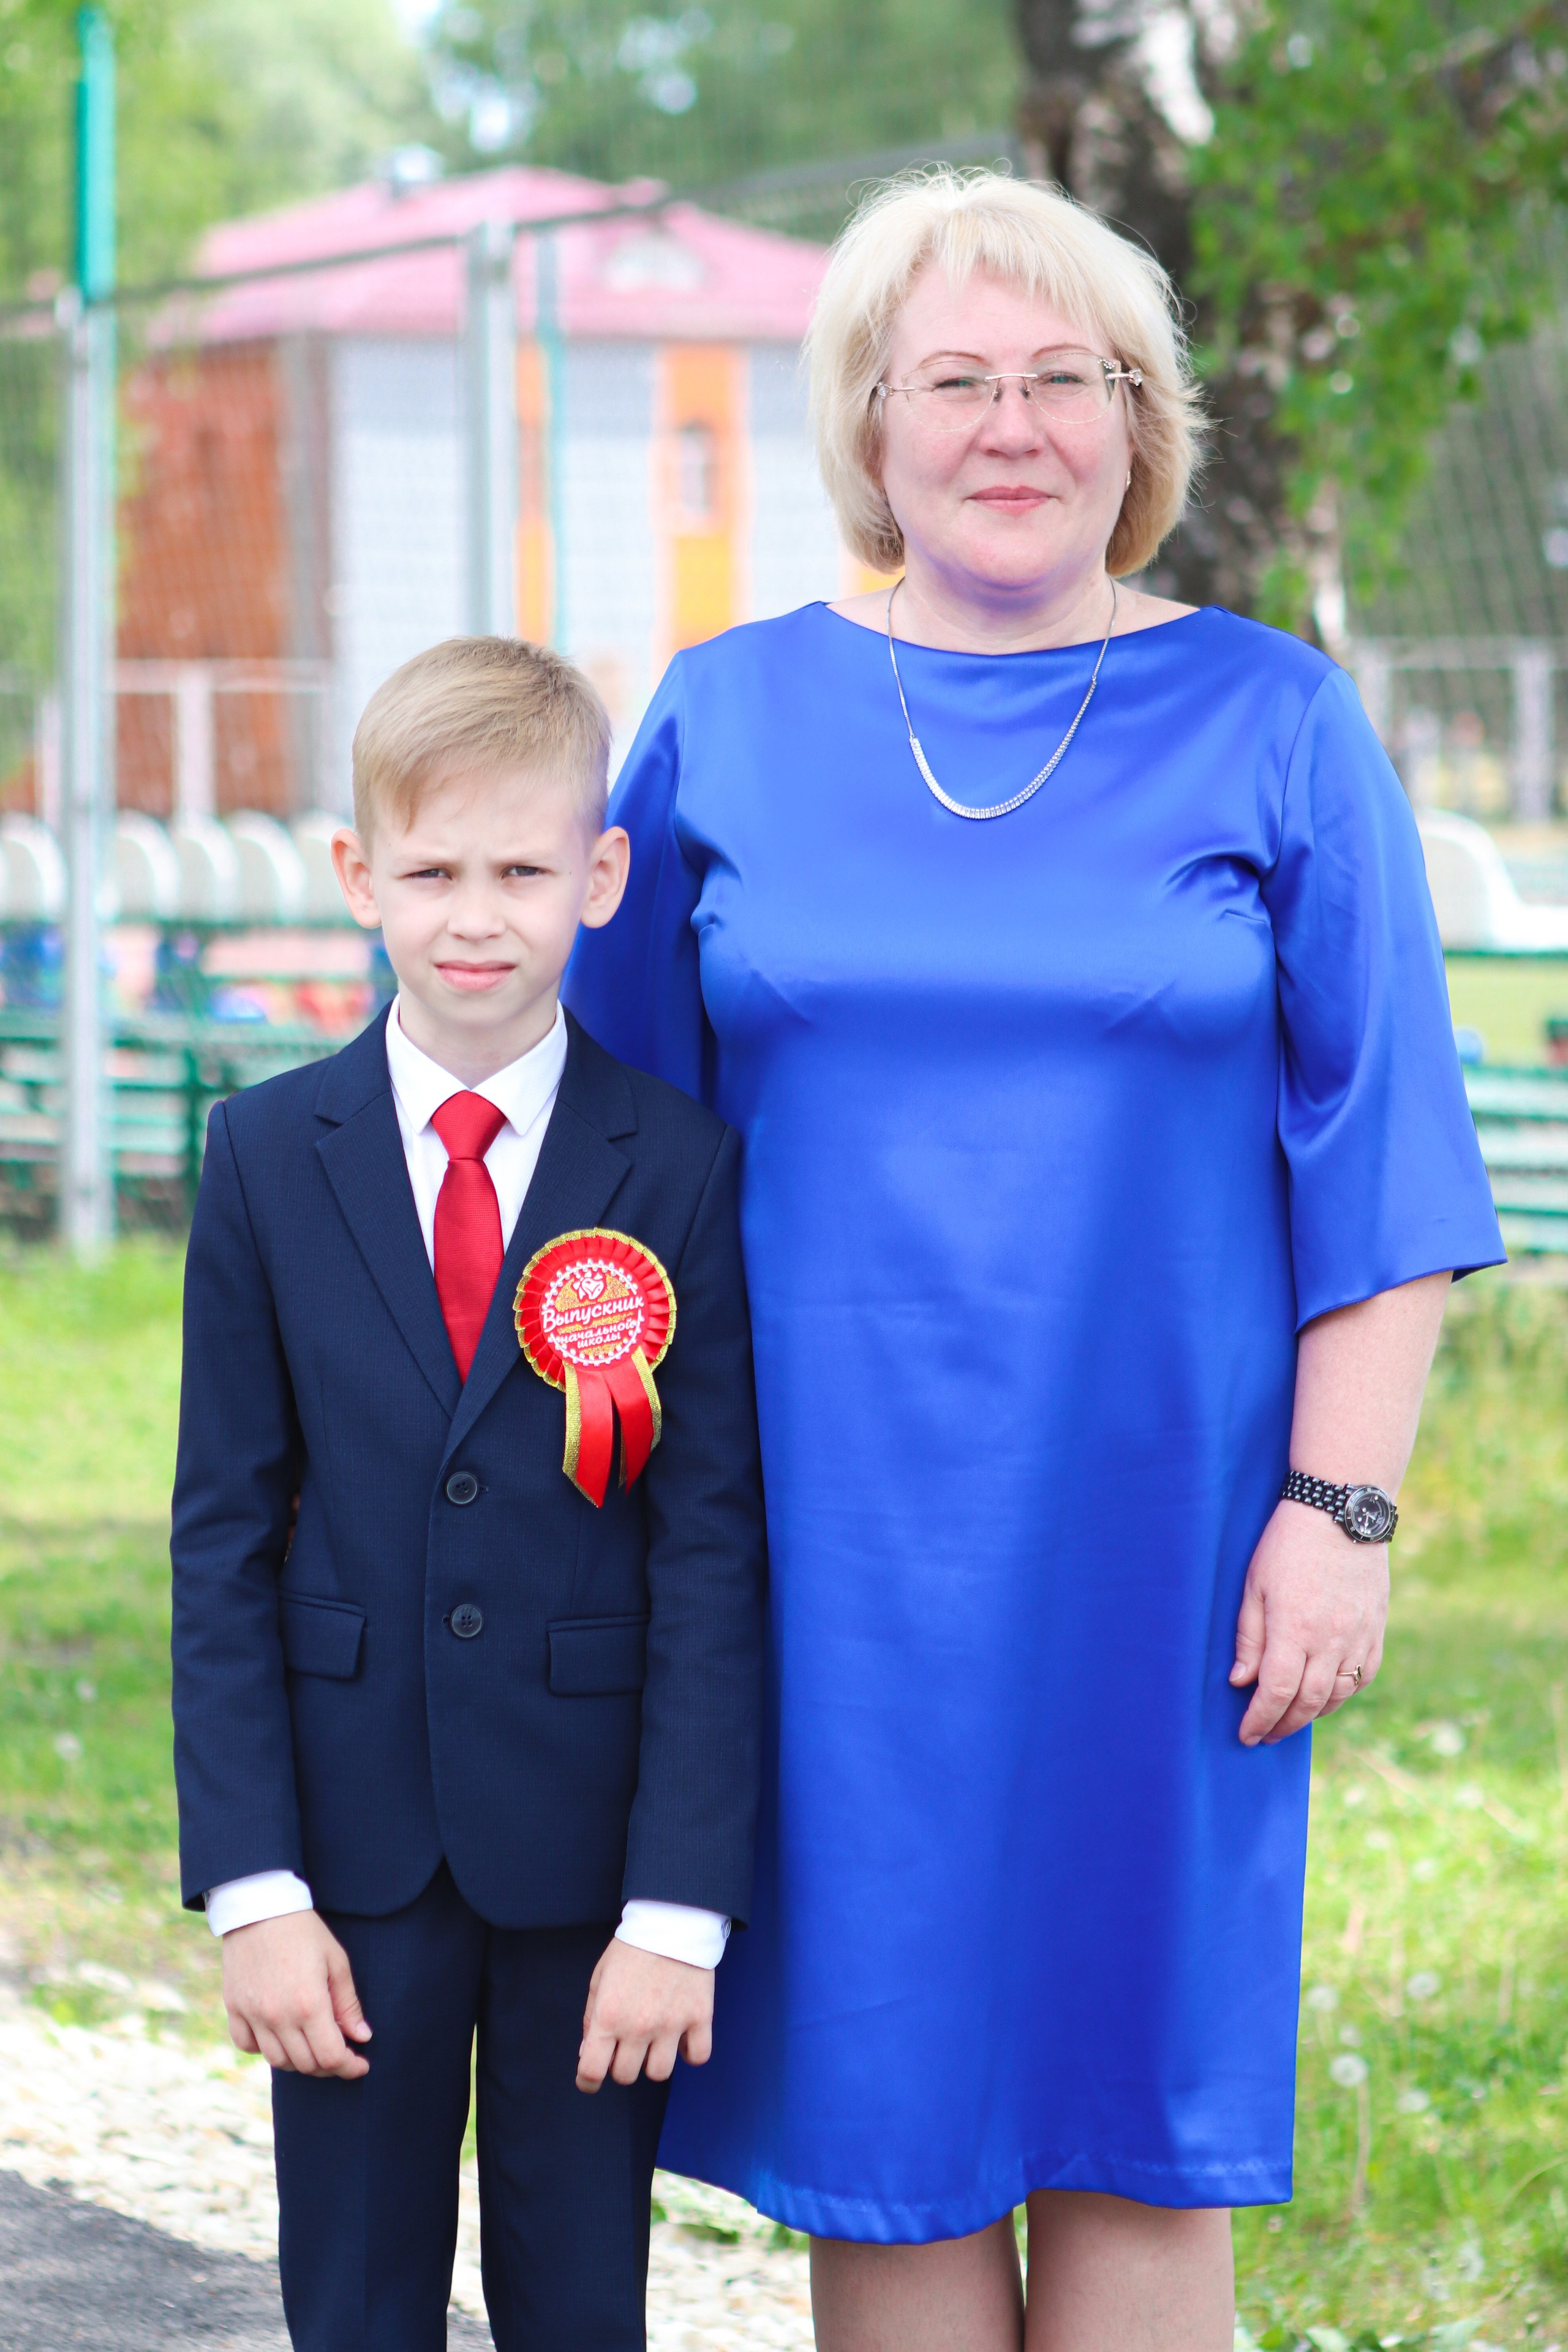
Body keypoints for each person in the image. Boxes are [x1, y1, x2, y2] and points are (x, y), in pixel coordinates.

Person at [564, 170, 1505, 2352]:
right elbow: (607, 1173)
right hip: (816, 1563)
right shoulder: (729, 714)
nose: (1013, 425)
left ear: (1139, 424)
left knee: (1135, 2117)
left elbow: (1384, 1173)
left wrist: (1337, 1517)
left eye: (1065, 379)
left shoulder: (1276, 723)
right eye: (955, 380)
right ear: (871, 428)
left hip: (1166, 1561)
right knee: (883, 2135)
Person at [170, 636, 767, 2352]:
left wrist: (679, 1906)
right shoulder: (266, 1156)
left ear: (599, 876)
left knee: (581, 2306)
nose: (477, 915)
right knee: (355, 2304)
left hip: (595, 1875)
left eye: (523, 870)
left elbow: (714, 1551)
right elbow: (220, 1541)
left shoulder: (682, 1166)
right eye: (431, 871)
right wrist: (254, 1890)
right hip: (345, 1869)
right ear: (360, 877)